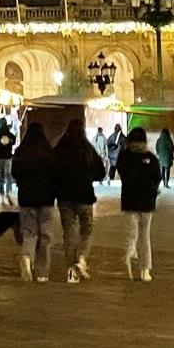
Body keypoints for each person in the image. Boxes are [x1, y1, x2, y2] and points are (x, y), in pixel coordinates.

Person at [54, 116, 105, 282]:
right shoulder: (87, 148)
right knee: (87, 229)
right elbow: (101, 172)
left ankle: (71, 272)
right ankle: (82, 257)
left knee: (69, 232)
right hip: (84, 196)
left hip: (65, 197)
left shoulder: (60, 148)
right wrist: (87, 176)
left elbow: (51, 170)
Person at [12, 122, 58, 281]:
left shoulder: (20, 152)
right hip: (46, 199)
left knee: (29, 233)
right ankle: (42, 273)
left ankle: (26, 258)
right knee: (45, 236)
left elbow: (14, 173)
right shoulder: (49, 152)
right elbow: (55, 175)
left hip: (26, 198)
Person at [115, 127, 160, 282]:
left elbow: (122, 173)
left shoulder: (124, 157)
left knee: (131, 234)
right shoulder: (150, 158)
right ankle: (145, 269)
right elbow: (157, 177)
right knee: (145, 236)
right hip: (147, 202)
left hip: (130, 201)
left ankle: (128, 262)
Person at [0, 116, 17, 204]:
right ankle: (9, 193)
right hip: (8, 158)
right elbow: (14, 141)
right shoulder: (10, 135)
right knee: (8, 176)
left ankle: (1, 194)